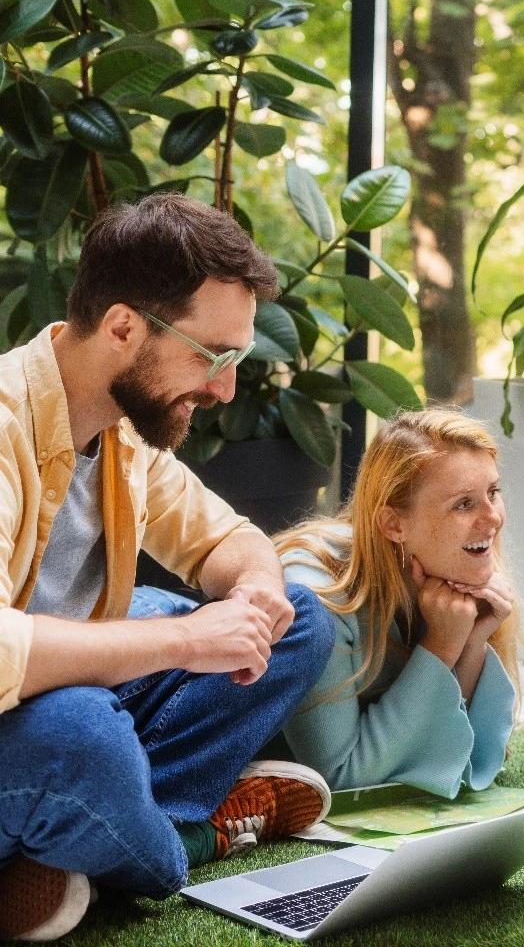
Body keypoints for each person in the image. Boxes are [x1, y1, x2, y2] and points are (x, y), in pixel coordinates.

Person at [0, 194, 334, 942]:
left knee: (299, 616)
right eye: (212, 357)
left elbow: (231, 540)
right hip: (37, 717)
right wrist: (186, 642)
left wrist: (252, 592)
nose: (224, 389)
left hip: (68, 698)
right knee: (86, 732)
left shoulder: (122, 429)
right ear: (122, 327)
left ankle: (71, 841)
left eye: (236, 360)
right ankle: (189, 838)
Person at [273, 409, 522, 795]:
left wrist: (470, 643)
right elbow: (337, 778)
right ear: (393, 525)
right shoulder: (318, 598)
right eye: (463, 504)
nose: (493, 519)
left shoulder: (458, 578)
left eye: (493, 493)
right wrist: (440, 647)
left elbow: (470, 755)